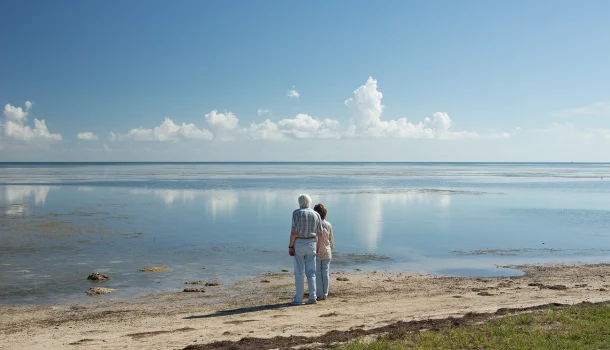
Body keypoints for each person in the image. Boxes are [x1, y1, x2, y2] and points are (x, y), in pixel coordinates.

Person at [288, 194, 322, 305]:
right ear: (309, 202)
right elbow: (320, 233)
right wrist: (318, 248)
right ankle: (313, 297)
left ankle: (298, 299)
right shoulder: (316, 214)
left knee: (299, 271)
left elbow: (294, 232)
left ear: (300, 202)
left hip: (299, 242)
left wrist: (291, 246)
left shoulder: (296, 213)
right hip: (312, 242)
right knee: (311, 272)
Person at [314, 203, 334, 301]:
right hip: (327, 251)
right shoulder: (328, 224)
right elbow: (331, 239)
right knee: (325, 273)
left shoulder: (315, 224)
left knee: (317, 273)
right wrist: (331, 248)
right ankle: (325, 294)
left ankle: (319, 294)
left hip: (317, 251)